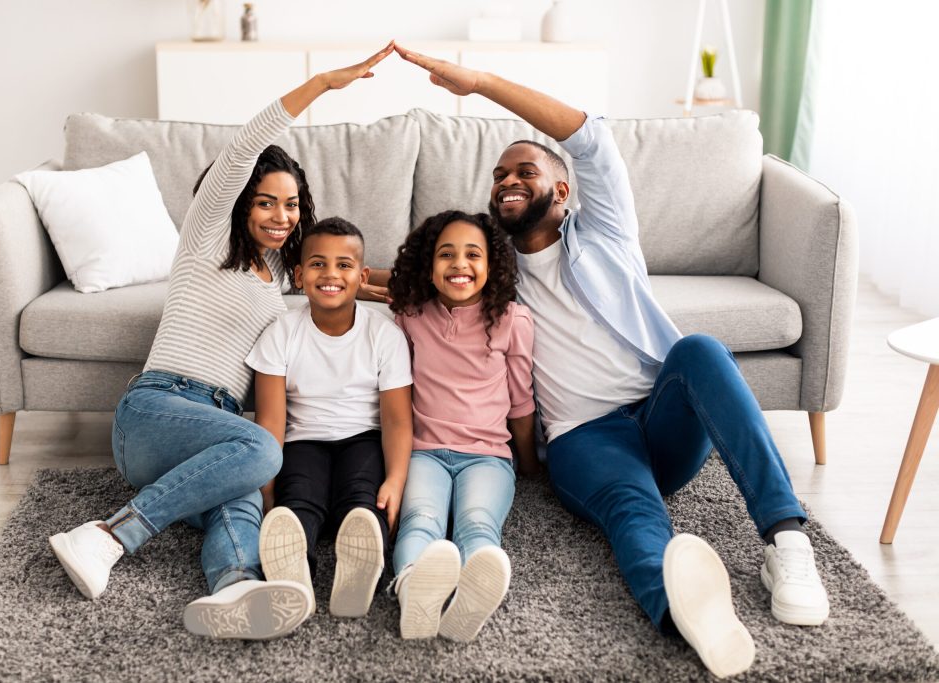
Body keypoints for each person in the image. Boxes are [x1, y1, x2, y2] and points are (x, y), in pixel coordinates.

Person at [396, 44, 830, 677]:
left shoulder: (605, 231)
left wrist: (482, 83)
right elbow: (415, 279)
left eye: (523, 172)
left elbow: (590, 138)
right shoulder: (492, 274)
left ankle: (786, 540)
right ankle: (683, 614)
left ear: (564, 191)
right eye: (498, 176)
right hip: (583, 438)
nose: (507, 182)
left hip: (662, 415)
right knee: (634, 514)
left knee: (701, 350)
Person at [47, 43, 396, 641]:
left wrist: (435, 281)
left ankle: (235, 590)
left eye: (291, 205)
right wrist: (321, 85)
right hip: (157, 411)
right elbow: (244, 148)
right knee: (266, 452)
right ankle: (108, 535)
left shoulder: (280, 280)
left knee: (243, 503)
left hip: (215, 438)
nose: (281, 215)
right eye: (266, 202)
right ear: (238, 203)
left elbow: (341, 276)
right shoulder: (207, 236)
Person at [247, 217, 413, 620]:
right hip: (303, 440)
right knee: (299, 499)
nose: (331, 275)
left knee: (363, 500)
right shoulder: (281, 332)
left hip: (364, 438)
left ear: (363, 274)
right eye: (318, 264)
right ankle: (294, 573)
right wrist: (267, 492)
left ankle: (358, 573)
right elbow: (270, 420)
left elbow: (395, 420)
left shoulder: (384, 333)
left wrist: (395, 480)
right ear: (300, 275)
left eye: (344, 264)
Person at [386, 210, 537, 642]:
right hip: (424, 452)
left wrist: (527, 466)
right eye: (446, 255)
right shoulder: (411, 315)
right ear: (428, 266)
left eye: (473, 255)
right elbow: (390, 292)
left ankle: (474, 591)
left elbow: (521, 403)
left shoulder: (513, 320)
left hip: (488, 457)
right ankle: (414, 591)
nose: (459, 264)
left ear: (491, 266)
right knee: (420, 520)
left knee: (476, 523)